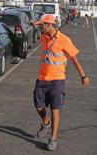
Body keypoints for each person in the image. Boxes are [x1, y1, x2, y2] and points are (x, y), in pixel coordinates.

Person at [33, 14, 90, 151]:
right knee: (38, 105)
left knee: (55, 109)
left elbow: (74, 60)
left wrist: (83, 76)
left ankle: (53, 139)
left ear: (49, 25)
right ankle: (46, 122)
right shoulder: (43, 37)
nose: (41, 27)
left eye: (42, 25)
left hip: (57, 79)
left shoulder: (64, 40)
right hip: (42, 78)